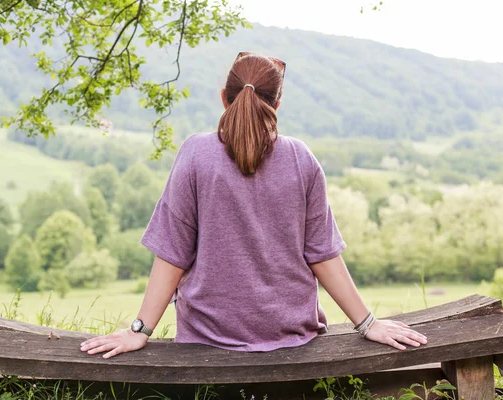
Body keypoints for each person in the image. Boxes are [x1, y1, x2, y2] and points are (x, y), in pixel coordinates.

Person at [80, 52, 427, 359]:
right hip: (292, 339)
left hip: (208, 339)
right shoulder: (301, 158)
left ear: (224, 99)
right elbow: (323, 256)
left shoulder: (195, 154)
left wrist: (139, 331)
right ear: (276, 105)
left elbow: (172, 253)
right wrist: (368, 324)